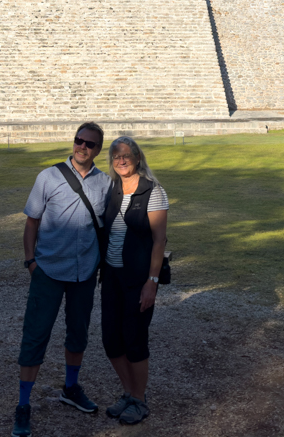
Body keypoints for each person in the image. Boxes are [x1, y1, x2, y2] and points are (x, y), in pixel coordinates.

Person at [12, 122, 110, 437]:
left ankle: (70, 387)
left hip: (84, 273)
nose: (83, 147)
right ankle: (23, 404)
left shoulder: (104, 184)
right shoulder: (49, 177)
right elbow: (31, 222)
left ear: (98, 149)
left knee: (78, 333)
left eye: (90, 144)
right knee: (35, 335)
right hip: (49, 270)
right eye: (79, 141)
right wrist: (31, 263)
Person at [99, 136, 169, 425]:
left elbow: (159, 240)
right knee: (110, 339)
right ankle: (128, 392)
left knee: (134, 339)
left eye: (127, 155)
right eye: (116, 156)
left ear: (138, 158)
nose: (122, 160)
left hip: (138, 279)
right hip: (112, 276)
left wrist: (152, 281)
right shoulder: (112, 188)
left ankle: (139, 399)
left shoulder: (153, 191)